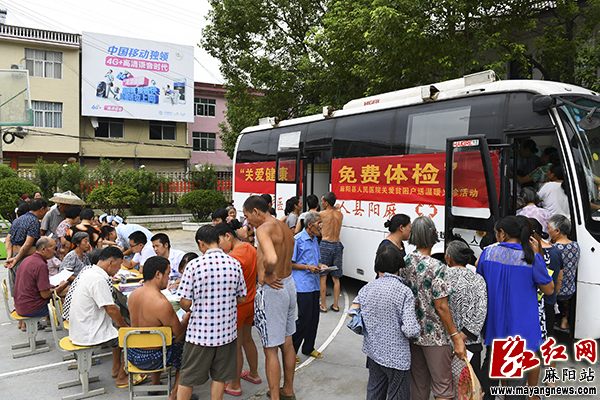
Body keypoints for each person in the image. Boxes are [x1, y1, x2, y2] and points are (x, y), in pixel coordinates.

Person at [476, 216, 554, 400]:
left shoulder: (487, 254)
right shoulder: (532, 258)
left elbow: (481, 281)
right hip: (522, 329)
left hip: (495, 326)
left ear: (502, 234)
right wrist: (539, 257)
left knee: (497, 373)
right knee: (516, 386)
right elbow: (549, 290)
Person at [176, 225, 247, 400]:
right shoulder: (234, 263)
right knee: (220, 377)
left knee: (187, 378)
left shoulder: (194, 265)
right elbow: (242, 297)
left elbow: (185, 302)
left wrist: (195, 307)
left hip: (200, 335)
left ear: (201, 244)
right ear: (218, 240)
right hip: (226, 334)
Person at [401, 216, 465, 400]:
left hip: (412, 333)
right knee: (443, 387)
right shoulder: (438, 267)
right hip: (435, 337)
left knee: (419, 385)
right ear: (434, 234)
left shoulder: (405, 261)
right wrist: (456, 337)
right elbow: (442, 306)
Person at [351, 242, 420, 400]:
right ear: (399, 265)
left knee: (374, 391)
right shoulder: (404, 292)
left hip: (373, 351)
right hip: (397, 356)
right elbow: (410, 330)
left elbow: (353, 311)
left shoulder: (367, 287)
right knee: (398, 394)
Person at [243, 195, 296, 400]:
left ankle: (274, 397)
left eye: (248, 216)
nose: (248, 221)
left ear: (256, 211)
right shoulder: (283, 226)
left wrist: (267, 273)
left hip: (273, 290)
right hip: (289, 285)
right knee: (287, 342)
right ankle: (288, 390)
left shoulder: (263, 229)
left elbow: (272, 258)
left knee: (271, 348)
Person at [66, 246, 141, 388]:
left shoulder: (89, 271)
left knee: (118, 330)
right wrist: (125, 327)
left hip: (81, 327)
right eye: (119, 265)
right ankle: (122, 377)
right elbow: (111, 308)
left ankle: (116, 368)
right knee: (131, 336)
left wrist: (121, 324)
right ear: (111, 262)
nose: (119, 269)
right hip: (88, 332)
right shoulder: (98, 279)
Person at [127, 256, 192, 400]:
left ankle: (155, 383)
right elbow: (178, 331)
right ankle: (175, 395)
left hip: (132, 354)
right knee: (188, 348)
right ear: (158, 274)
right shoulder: (161, 303)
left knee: (154, 336)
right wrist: (186, 320)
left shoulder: (133, 295)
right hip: (156, 358)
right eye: (168, 274)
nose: (169, 278)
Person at [215, 220, 262, 396]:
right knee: (248, 340)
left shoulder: (233, 258)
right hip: (250, 303)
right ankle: (254, 374)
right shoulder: (250, 248)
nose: (219, 247)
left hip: (238, 306)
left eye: (219, 242)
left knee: (235, 346)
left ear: (228, 236)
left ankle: (235, 384)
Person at [444, 240, 487, 381]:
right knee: (469, 388)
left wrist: (455, 338)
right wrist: (462, 337)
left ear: (449, 258)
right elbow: (481, 311)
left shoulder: (441, 276)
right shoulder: (478, 279)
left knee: (445, 386)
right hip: (471, 344)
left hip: (445, 342)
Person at [290, 212, 326, 363]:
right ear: (309, 225)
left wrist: (320, 266)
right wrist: (307, 267)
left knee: (314, 318)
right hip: (302, 285)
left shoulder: (315, 239)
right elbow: (290, 263)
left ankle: (308, 347)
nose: (321, 226)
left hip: (314, 284)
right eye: (319, 223)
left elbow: (316, 260)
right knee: (304, 319)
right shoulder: (297, 240)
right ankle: (292, 349)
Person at [13, 237, 69, 325]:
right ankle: (66, 323)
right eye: (54, 249)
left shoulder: (27, 259)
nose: (55, 252)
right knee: (66, 294)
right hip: (32, 307)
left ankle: (54, 321)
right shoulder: (40, 265)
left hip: (20, 304)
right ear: (43, 249)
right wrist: (61, 287)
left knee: (65, 290)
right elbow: (45, 294)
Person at [5, 198, 49, 298]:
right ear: (41, 209)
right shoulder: (34, 221)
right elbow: (28, 243)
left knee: (16, 290)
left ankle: (18, 310)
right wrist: (16, 259)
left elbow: (8, 240)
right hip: (23, 258)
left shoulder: (18, 220)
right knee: (26, 291)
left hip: (14, 256)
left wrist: (9, 257)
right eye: (45, 210)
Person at [548, 214, 580, 331]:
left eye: (549, 228)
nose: (548, 231)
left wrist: (550, 245)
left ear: (557, 231)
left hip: (556, 292)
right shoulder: (576, 245)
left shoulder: (553, 249)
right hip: (570, 290)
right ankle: (564, 320)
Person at [319, 192, 344, 313]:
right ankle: (335, 305)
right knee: (336, 277)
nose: (321, 203)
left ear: (327, 203)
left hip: (325, 244)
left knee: (323, 276)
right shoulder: (340, 215)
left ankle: (323, 305)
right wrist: (337, 208)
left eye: (322, 201)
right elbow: (336, 211)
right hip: (337, 244)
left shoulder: (321, 214)